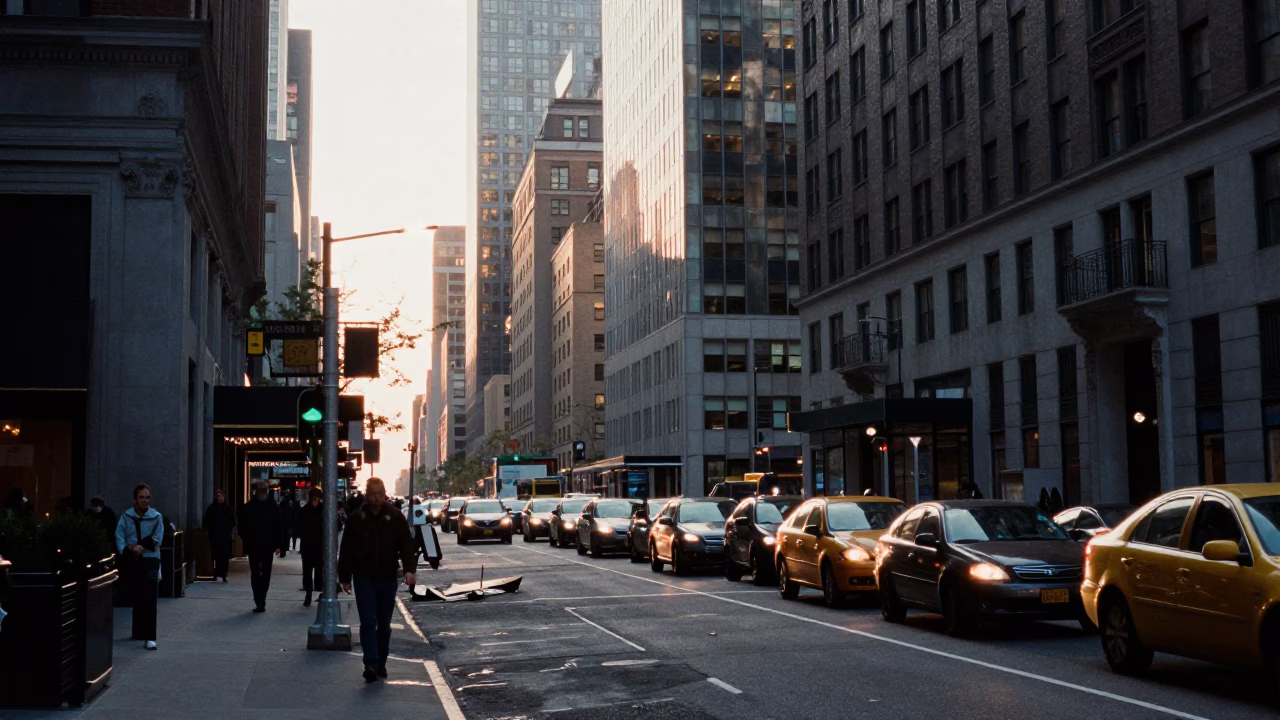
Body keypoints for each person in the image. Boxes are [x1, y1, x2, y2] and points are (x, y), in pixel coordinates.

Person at [339, 477, 416, 683]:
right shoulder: (357, 518)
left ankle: (381, 661)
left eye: (380, 493)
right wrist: (344, 577)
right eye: (373, 493)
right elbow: (346, 549)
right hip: (363, 577)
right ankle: (370, 663)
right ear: (366, 494)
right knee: (367, 621)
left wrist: (409, 570)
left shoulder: (395, 516)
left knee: (384, 623)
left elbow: (406, 545)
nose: (377, 497)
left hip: (387, 577)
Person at [115, 484, 164, 650]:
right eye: (142, 497)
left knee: (150, 598)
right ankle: (138, 631)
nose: (145, 500)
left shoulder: (156, 516)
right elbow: (119, 536)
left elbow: (158, 537)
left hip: (150, 559)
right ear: (135, 499)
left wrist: (141, 546)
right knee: (137, 596)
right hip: (133, 560)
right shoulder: (126, 517)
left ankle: (150, 637)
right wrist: (130, 548)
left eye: (147, 497)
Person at [238, 480, 284, 613]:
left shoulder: (273, 507)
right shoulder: (248, 508)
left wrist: (278, 545)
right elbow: (242, 527)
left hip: (267, 546)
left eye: (264, 490)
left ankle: (261, 598)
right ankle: (259, 599)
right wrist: (247, 539)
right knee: (256, 572)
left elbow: (279, 526)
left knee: (265, 572)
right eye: (261, 490)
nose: (263, 493)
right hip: (254, 546)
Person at [296, 488, 326, 607]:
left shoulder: (323, 510)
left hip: (317, 545)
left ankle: (317, 592)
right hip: (311, 545)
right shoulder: (306, 511)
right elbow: (298, 528)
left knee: (318, 571)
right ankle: (309, 594)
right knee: (309, 572)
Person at [202, 489, 235, 583]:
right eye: (218, 496)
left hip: (225, 538)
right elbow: (206, 522)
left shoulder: (228, 509)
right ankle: (215, 574)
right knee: (215, 556)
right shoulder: (212, 509)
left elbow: (232, 522)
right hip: (214, 537)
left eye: (221, 496)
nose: (220, 498)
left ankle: (223, 574)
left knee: (224, 557)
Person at [279, 489, 298, 556]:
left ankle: (286, 548)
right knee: (292, 536)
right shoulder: (293, 504)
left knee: (286, 536)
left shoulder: (283, 503)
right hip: (292, 523)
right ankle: (292, 547)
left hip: (285, 522)